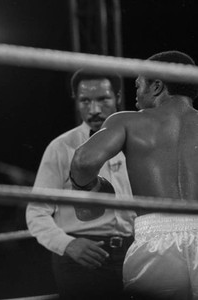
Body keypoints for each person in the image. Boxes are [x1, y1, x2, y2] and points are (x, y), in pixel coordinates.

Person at [70, 50, 198, 300]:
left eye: (138, 85)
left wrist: (91, 188)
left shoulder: (127, 121)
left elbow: (84, 161)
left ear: (157, 86)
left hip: (157, 239)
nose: (136, 96)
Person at [26, 69, 135, 299]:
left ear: (117, 96)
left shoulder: (138, 142)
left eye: (102, 99)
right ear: (76, 101)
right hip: (82, 258)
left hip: (136, 251)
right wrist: (67, 244)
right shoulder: (61, 147)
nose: (94, 110)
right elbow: (36, 213)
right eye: (85, 101)